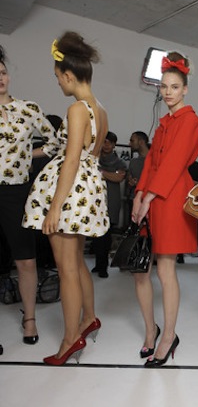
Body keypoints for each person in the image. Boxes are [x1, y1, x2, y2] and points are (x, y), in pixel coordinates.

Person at [22, 31, 109, 365]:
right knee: (77, 264)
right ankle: (89, 318)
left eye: (58, 76)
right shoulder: (100, 110)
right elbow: (82, 155)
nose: (58, 82)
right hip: (87, 190)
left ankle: (70, 339)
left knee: (67, 268)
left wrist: (54, 208)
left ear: (69, 75)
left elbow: (71, 160)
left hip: (70, 193)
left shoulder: (76, 109)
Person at [131, 51, 198, 367]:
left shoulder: (190, 121)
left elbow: (174, 163)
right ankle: (151, 330)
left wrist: (149, 197)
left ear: (185, 89)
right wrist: (139, 194)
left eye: (174, 86)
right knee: (140, 270)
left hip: (171, 199)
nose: (168, 92)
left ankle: (168, 335)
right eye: (164, 86)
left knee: (165, 269)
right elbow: (151, 161)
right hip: (151, 197)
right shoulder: (163, 124)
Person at [0, 45, 59, 345]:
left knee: (25, 259)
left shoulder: (28, 109)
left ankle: (30, 319)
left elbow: (55, 142)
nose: (0, 78)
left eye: (3, 72)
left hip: (17, 191)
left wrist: (26, 154)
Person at [92, 131, 126, 278]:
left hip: (111, 201)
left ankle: (103, 266)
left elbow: (118, 177)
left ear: (113, 145)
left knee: (106, 236)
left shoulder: (119, 162)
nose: (106, 145)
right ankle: (98, 264)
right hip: (94, 200)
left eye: (109, 142)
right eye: (104, 142)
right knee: (95, 235)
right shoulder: (94, 158)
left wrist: (101, 172)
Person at [125, 131, 149, 227]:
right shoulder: (133, 162)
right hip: (134, 201)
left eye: (132, 141)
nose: (129, 144)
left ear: (141, 142)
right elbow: (128, 181)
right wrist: (130, 182)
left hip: (148, 202)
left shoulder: (155, 161)